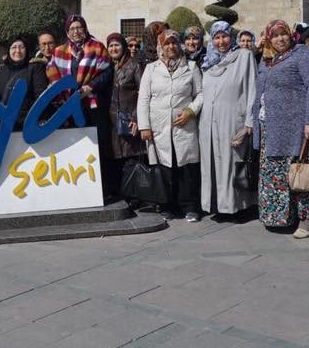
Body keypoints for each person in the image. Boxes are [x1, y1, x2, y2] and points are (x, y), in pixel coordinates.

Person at [252, 19, 309, 237]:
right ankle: (281, 217)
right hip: (270, 128)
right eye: (274, 35)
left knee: (301, 172)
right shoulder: (267, 60)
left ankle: (306, 219)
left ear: (291, 35)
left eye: (283, 34)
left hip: (295, 127)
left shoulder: (302, 54)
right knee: (277, 174)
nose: (280, 39)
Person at [138, 29, 203, 222]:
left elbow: (200, 94)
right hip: (159, 127)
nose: (171, 47)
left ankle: (190, 206)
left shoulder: (191, 67)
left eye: (174, 43)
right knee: (164, 168)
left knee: (186, 168)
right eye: (167, 44)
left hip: (184, 125)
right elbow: (143, 99)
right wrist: (144, 126)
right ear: (161, 47)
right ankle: (166, 206)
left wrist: (191, 111)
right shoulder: (151, 69)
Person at [198, 21, 257, 217]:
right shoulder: (208, 63)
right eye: (216, 37)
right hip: (209, 123)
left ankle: (236, 207)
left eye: (224, 36)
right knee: (213, 164)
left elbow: (252, 90)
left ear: (231, 37)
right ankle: (216, 205)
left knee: (233, 163)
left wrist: (249, 122)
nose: (221, 41)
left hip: (232, 120)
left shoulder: (243, 56)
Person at [46, 14, 112, 127]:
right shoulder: (59, 51)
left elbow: (107, 71)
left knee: (95, 139)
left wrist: (91, 86)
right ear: (67, 32)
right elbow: (51, 69)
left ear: (85, 29)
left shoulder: (98, 47)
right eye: (72, 28)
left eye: (79, 27)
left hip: (92, 102)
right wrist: (60, 88)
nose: (76, 31)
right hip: (68, 103)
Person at [104, 33, 145, 201]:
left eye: (117, 45)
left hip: (129, 120)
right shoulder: (105, 66)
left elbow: (143, 94)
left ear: (123, 47)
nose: (114, 49)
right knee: (114, 161)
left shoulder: (134, 66)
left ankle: (134, 197)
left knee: (131, 159)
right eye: (111, 46)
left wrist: (136, 118)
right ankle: (119, 195)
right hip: (111, 122)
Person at [0, 37, 48, 129]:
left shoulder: (34, 68)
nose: (17, 51)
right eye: (14, 47)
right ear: (8, 51)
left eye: (21, 47)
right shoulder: (1, 71)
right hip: (3, 123)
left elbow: (40, 95)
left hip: (27, 122)